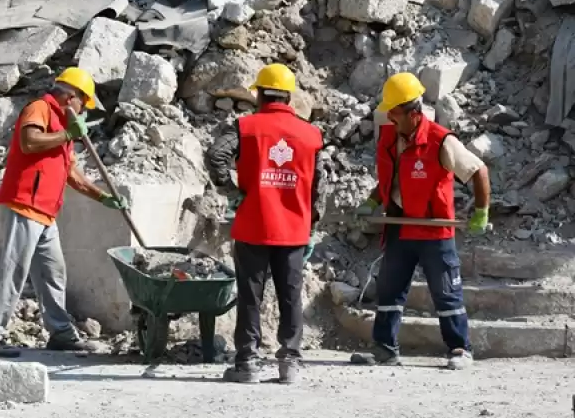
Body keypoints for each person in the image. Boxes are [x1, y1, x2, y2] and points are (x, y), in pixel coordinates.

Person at [0, 67, 129, 357]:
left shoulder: (62, 124)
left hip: (45, 212)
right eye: (84, 103)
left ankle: (60, 332)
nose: (84, 110)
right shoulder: (40, 108)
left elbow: (71, 172)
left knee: (53, 273)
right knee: (13, 270)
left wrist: (104, 197)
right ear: (71, 97)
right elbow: (28, 142)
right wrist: (68, 132)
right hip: (24, 204)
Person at [351, 72, 490, 370]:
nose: (389, 117)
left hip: (434, 229)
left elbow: (479, 171)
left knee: (445, 291)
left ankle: (459, 349)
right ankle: (385, 348)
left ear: (414, 113)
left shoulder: (441, 140)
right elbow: (392, 177)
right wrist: (373, 201)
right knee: (389, 289)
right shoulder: (390, 136)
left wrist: (481, 211)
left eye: (395, 112)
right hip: (400, 225)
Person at [208, 63, 324, 384]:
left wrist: (234, 191)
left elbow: (216, 156)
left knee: (250, 295)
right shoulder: (311, 134)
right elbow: (319, 183)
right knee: (290, 294)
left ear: (259, 94)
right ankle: (290, 364)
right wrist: (312, 218)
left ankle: (247, 363)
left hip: (253, 224)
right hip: (293, 229)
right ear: (288, 97)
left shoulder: (243, 127)